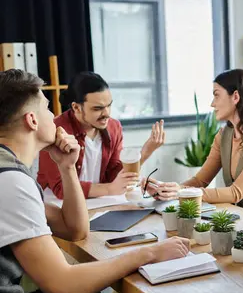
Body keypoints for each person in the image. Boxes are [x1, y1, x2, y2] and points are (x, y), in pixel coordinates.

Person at [0, 69, 190, 293]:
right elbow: (64, 287)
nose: (53, 116)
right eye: (46, 108)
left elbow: (74, 229)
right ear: (31, 120)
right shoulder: (10, 182)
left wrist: (67, 167)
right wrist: (148, 252)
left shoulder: (10, 171)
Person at [145, 69, 243, 218]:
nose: (212, 104)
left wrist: (180, 192)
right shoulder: (224, 136)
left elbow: (236, 193)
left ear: (235, 97)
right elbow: (199, 181)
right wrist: (165, 191)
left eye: (216, 95)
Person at [37, 71, 165, 199]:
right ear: (76, 108)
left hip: (99, 201)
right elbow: (61, 188)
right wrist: (109, 189)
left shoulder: (114, 127)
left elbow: (113, 175)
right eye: (97, 108)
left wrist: (146, 152)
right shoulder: (55, 130)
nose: (107, 114)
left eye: (108, 106)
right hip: (57, 204)